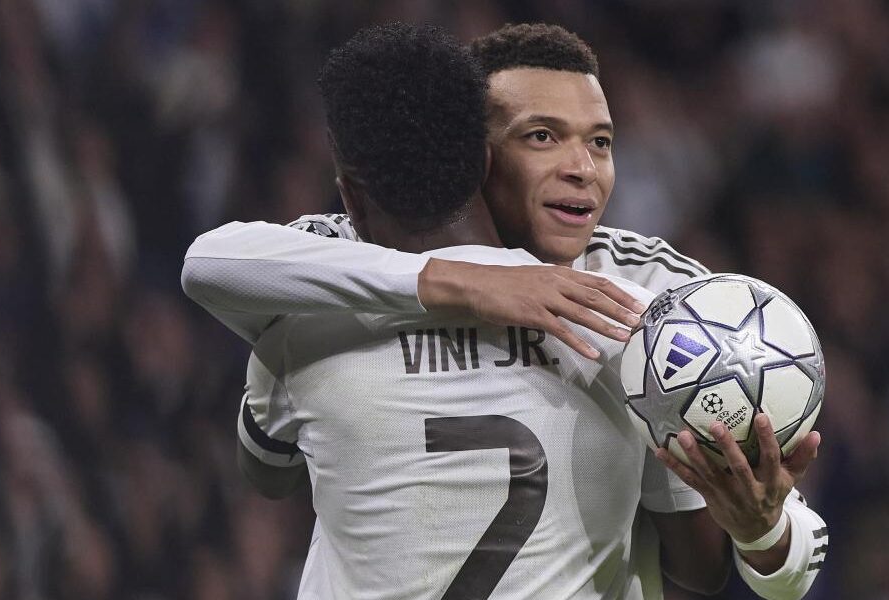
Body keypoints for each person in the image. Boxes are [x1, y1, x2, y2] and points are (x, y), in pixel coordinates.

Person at [183, 23, 827, 600]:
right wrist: (468, 281)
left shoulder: (653, 298)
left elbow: (758, 559)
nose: (581, 168)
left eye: (601, 142)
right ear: (479, 157)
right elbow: (212, 259)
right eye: (542, 137)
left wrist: (762, 529)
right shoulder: (629, 308)